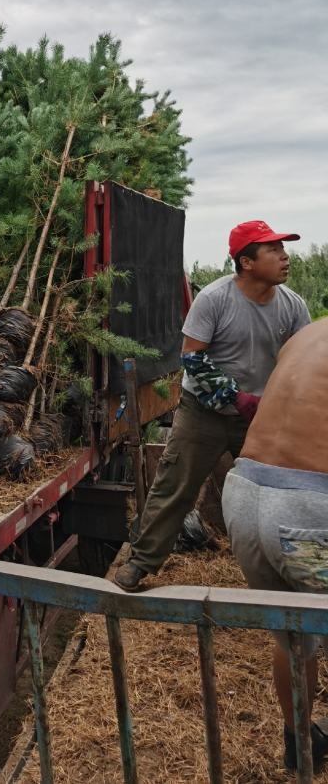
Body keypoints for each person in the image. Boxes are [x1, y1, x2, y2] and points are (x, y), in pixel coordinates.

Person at [114, 219, 310, 592]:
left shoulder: (293, 306)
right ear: (247, 262)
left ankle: (290, 575)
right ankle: (140, 564)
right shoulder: (215, 299)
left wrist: (279, 403)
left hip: (261, 418)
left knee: (278, 492)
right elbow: (192, 360)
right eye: (275, 250)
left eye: (284, 249)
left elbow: (299, 360)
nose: (285, 257)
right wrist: (236, 397)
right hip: (203, 413)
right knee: (175, 487)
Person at [223, 319, 328, 770]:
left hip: (243, 493)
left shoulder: (308, 334)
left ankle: (300, 745)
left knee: (293, 637)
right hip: (306, 508)